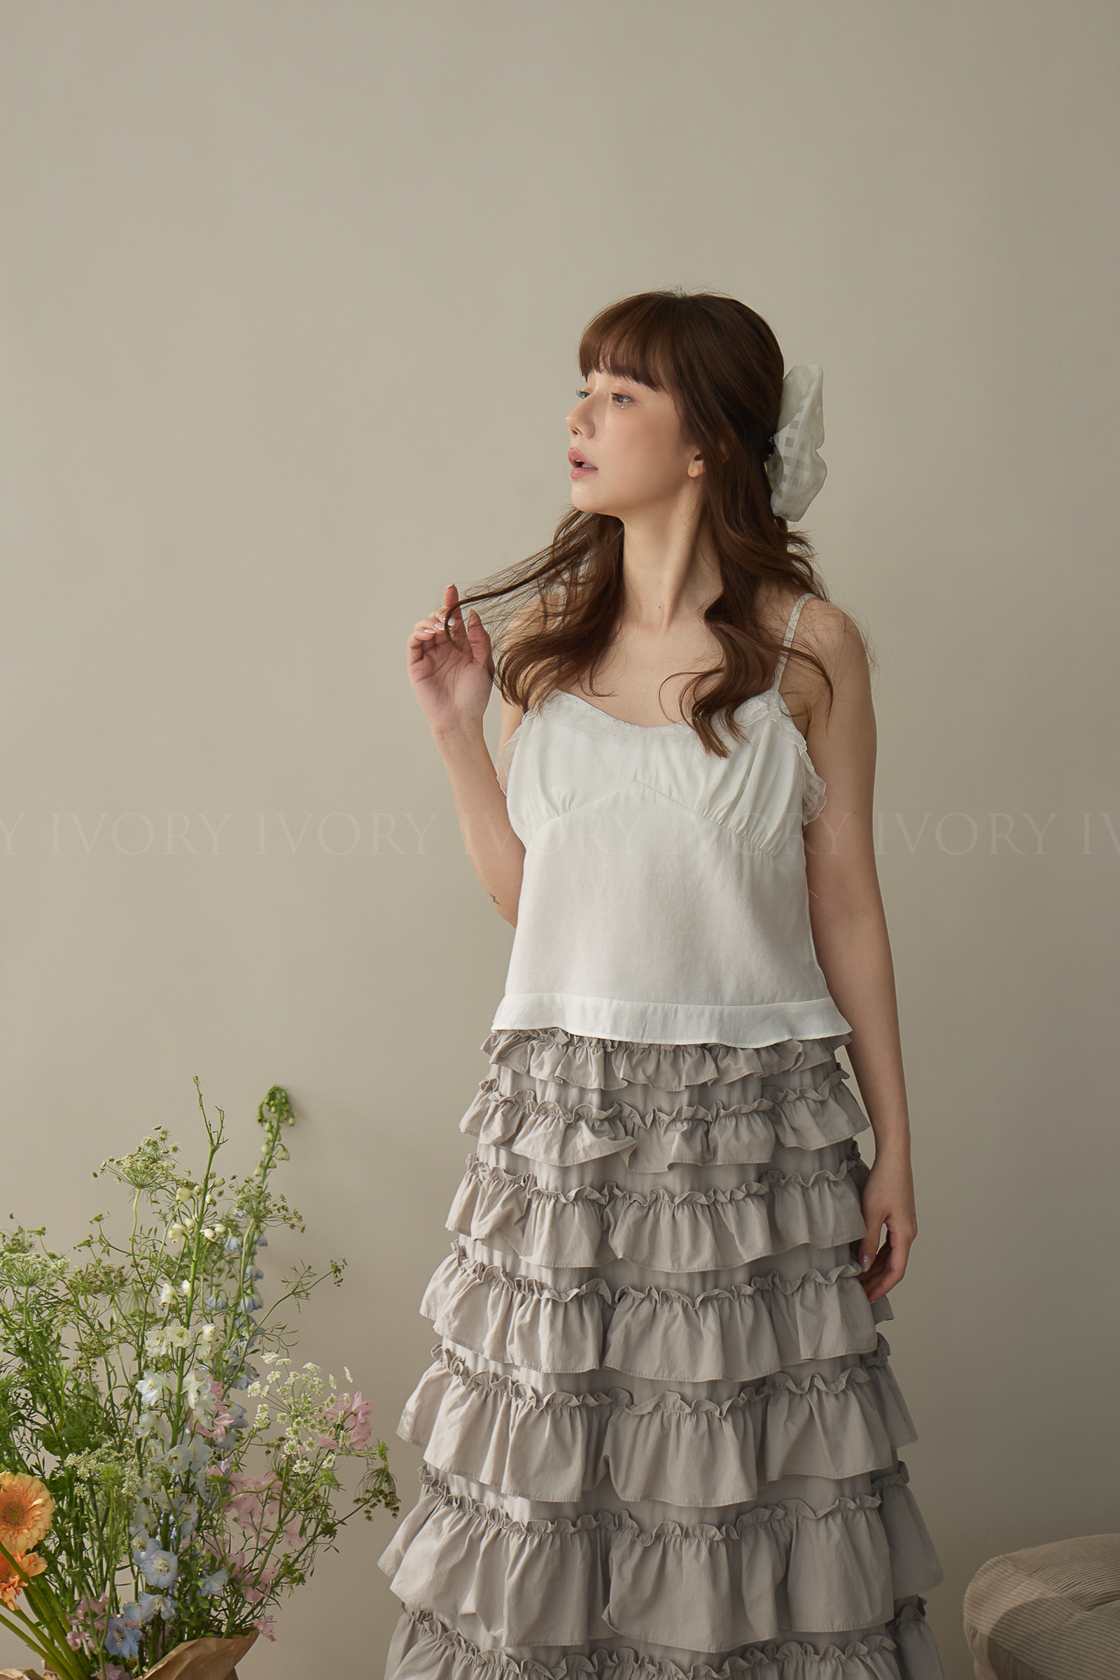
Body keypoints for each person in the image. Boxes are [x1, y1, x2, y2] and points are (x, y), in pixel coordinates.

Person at [379, 289, 945, 1680]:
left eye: (621, 392)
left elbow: (850, 905)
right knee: (552, 1502)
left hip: (755, 1133)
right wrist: (459, 733)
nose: (581, 417)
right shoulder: (545, 655)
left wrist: (895, 1145)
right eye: (585, 386)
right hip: (564, 1126)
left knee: (753, 1501)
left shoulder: (810, 649)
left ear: (707, 444)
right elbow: (528, 904)